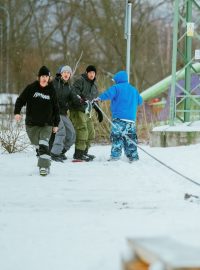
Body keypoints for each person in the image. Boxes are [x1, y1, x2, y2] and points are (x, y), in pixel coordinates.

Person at [14, 66, 60, 176]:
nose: (44, 78)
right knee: (38, 145)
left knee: (44, 144)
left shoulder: (51, 91)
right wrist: (17, 112)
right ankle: (46, 160)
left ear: (49, 78)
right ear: (38, 77)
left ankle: (43, 167)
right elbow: (20, 100)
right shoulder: (31, 88)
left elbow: (56, 108)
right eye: (42, 76)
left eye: (46, 76)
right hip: (31, 124)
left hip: (46, 124)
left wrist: (56, 124)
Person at [95, 70, 143, 162]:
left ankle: (115, 157)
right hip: (131, 121)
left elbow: (108, 94)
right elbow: (140, 101)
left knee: (117, 138)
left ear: (118, 80)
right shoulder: (134, 90)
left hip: (119, 119)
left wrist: (99, 98)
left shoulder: (116, 88)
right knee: (131, 139)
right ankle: (133, 157)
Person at [70, 65, 103, 161]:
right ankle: (78, 154)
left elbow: (95, 100)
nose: (92, 74)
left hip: (87, 112)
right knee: (83, 131)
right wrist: (80, 99)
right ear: (87, 73)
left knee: (91, 132)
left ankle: (84, 152)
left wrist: (98, 110)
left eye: (93, 73)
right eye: (90, 72)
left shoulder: (94, 86)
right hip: (77, 110)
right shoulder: (80, 81)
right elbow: (73, 93)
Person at [50, 65, 76, 162]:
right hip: (53, 112)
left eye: (68, 73)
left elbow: (73, 99)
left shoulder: (69, 86)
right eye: (64, 72)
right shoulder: (54, 83)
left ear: (70, 75)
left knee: (72, 134)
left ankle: (61, 152)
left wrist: (81, 101)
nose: (66, 74)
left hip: (63, 113)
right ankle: (54, 153)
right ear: (61, 73)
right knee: (61, 131)